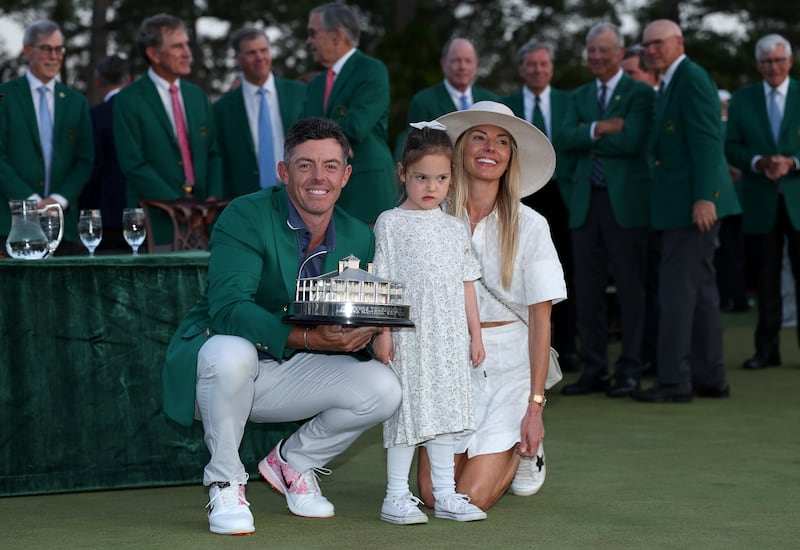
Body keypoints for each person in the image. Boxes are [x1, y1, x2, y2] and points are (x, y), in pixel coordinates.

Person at [162, 117, 402, 535]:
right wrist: (309, 337)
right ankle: (225, 481)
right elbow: (229, 309)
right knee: (230, 351)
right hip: (219, 372)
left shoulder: (358, 235)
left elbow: (349, 310)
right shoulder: (245, 214)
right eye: (305, 165)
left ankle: (293, 463)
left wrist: (372, 332)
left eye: (330, 166)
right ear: (284, 172)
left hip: (288, 372)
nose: (318, 177)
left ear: (346, 175)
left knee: (385, 389)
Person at [416, 101, 565, 510]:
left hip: (509, 366)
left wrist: (534, 407)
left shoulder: (531, 225)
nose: (490, 148)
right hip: (448, 363)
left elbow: (541, 321)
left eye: (501, 142)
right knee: (432, 495)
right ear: (460, 149)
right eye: (479, 137)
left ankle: (525, 445)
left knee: (470, 497)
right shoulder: (430, 216)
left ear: (510, 157)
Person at [372, 122, 486, 524]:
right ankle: (395, 496)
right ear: (403, 173)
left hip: (449, 336)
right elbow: (382, 283)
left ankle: (445, 494)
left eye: (440, 178)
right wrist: (383, 333)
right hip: (409, 336)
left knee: (444, 413)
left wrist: (475, 334)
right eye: (421, 177)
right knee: (407, 413)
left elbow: (467, 283)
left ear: (452, 178)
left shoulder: (455, 227)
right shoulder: (390, 223)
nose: (431, 187)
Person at [633, 19, 739, 402]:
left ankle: (674, 380)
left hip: (692, 206)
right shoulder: (674, 79)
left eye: (658, 43)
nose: (651, 50)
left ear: (679, 42)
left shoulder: (691, 77)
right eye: (647, 45)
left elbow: (708, 140)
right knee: (700, 289)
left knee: (677, 291)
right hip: (685, 204)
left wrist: (705, 197)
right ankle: (710, 376)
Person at [558, 23, 654, 398]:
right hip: (586, 205)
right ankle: (594, 369)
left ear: (620, 52)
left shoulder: (640, 92)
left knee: (630, 290)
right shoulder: (578, 95)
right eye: (592, 50)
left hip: (626, 205)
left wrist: (588, 134)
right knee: (587, 291)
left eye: (604, 50)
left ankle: (629, 369)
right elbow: (563, 139)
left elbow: (632, 142)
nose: (596, 56)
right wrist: (603, 128)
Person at [113, 13, 223, 247]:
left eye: (187, 45)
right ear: (154, 54)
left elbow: (213, 153)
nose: (187, 53)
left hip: (204, 222)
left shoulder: (197, 96)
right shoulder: (128, 100)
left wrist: (212, 199)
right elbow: (133, 163)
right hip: (157, 220)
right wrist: (177, 202)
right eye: (177, 46)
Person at [502, 40, 579, 373]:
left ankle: (568, 349)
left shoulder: (569, 102)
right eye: (531, 64)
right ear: (522, 68)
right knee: (522, 271)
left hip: (564, 197)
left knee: (564, 271)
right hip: (521, 195)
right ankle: (525, 349)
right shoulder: (507, 105)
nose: (538, 70)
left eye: (544, 64)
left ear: (552, 67)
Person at [726, 33, 800, 369]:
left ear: (790, 61)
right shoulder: (743, 99)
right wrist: (758, 162)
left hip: (796, 200)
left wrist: (792, 163)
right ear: (758, 65)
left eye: (779, 60)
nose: (774, 67)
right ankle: (767, 351)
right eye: (767, 61)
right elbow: (731, 146)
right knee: (766, 280)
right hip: (760, 202)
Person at [0, 19, 93, 254]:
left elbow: (85, 160)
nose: (54, 56)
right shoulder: (5, 97)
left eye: (59, 49)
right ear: (27, 50)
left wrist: (58, 200)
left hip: (63, 229)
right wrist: (30, 202)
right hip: (11, 228)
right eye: (46, 48)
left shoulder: (77, 102)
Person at [302, 2, 396, 224]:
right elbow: (302, 130)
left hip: (366, 194)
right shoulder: (316, 85)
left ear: (336, 35)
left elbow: (356, 125)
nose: (308, 41)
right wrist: (337, 134)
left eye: (313, 33)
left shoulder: (372, 70)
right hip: (326, 201)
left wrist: (323, 134)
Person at [213, 27, 306, 197]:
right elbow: (218, 158)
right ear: (237, 59)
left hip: (298, 192)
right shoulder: (222, 108)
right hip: (247, 197)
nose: (260, 57)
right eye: (251, 53)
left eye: (264, 50)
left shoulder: (300, 93)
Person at [396, 38, 498, 158]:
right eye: (456, 60)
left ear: (476, 65)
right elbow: (412, 149)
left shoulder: (491, 101)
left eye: (468, 61)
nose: (462, 66)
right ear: (443, 64)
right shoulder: (423, 102)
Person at [79, 54, 131, 251]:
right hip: (145, 211)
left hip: (106, 214)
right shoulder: (143, 114)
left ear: (98, 82)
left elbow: (91, 166)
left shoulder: (95, 116)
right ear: (128, 80)